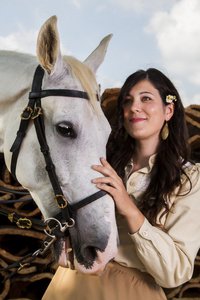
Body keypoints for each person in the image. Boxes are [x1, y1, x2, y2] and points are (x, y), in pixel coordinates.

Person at [42, 68, 200, 300]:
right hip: (70, 285)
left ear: (169, 110)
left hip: (132, 292)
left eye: (146, 98)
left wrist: (127, 206)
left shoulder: (189, 178)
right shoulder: (100, 159)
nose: (134, 107)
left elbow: (175, 272)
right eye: (128, 101)